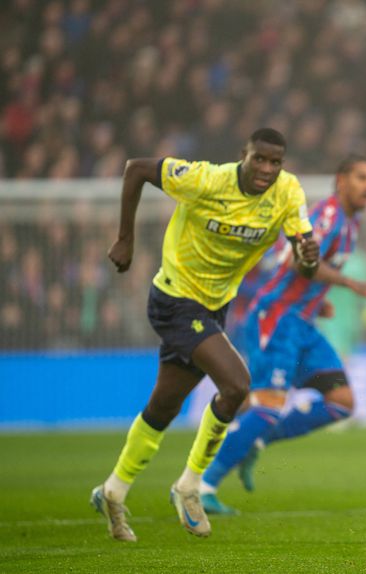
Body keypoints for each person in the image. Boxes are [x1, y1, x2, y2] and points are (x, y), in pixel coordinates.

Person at [90, 128, 320, 542]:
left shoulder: (287, 192)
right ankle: (189, 486)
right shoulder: (206, 179)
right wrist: (125, 239)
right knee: (236, 386)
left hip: (214, 307)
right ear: (243, 154)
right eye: (259, 159)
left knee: (164, 406)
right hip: (175, 298)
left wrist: (308, 257)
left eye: (275, 162)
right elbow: (136, 169)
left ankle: (112, 491)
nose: (266, 169)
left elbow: (304, 258)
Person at [198, 154, 366, 514]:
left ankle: (254, 441)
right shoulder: (328, 215)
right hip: (277, 318)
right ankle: (202, 486)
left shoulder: (350, 222)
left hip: (302, 321)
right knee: (267, 406)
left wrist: (317, 301)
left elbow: (305, 271)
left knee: (341, 401)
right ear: (341, 180)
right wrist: (352, 284)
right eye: (361, 178)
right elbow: (300, 262)